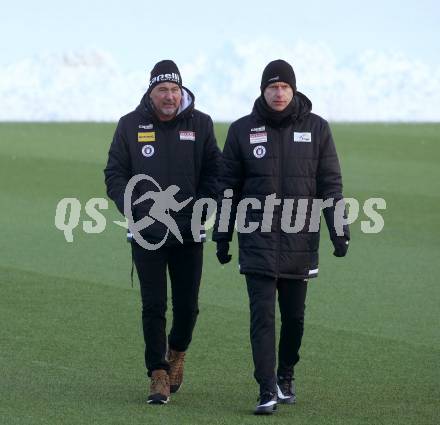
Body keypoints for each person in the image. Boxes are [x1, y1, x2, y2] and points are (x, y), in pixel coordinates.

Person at [213, 59, 350, 415]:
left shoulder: (318, 129)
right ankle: (265, 389)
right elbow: (228, 187)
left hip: (299, 243)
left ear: (293, 90)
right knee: (261, 317)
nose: (278, 93)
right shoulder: (242, 130)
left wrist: (339, 229)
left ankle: (285, 374)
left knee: (294, 319)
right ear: (262, 91)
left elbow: (330, 184)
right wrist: (223, 236)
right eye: (272, 87)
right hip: (256, 241)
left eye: (284, 87)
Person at [104, 60, 220, 404]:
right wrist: (135, 210)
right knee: (153, 304)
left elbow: (215, 171)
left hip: (188, 231)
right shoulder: (129, 125)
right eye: (162, 90)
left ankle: (177, 353)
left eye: (174, 90)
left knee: (188, 307)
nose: (169, 96)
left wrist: (204, 207)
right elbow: (115, 173)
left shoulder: (201, 124)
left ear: (181, 91)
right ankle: (157, 373)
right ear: (150, 92)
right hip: (146, 232)